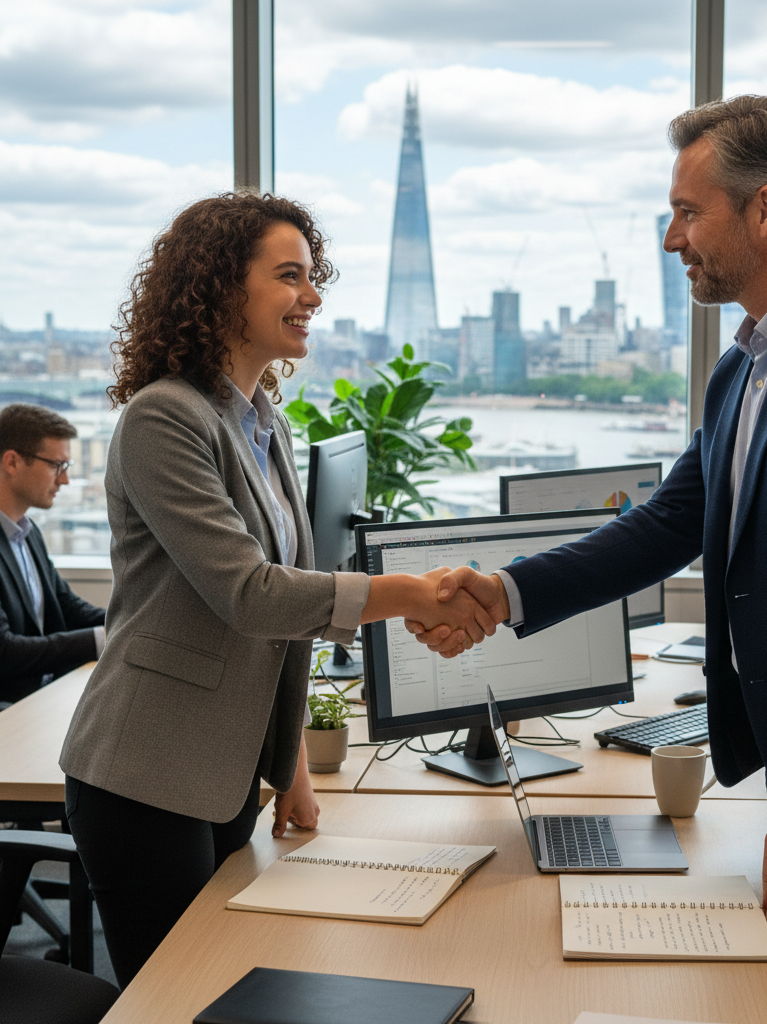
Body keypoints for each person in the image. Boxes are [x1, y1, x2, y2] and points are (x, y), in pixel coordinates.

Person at [409, 95, 767, 1024]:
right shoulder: (746, 365)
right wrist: (507, 591)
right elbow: (664, 524)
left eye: (689, 212)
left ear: (765, 209)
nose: (672, 237)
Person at [59, 192, 494, 988]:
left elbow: (274, 625)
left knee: (226, 984)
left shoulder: (263, 423)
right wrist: (409, 594)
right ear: (223, 288)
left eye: (313, 275)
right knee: (177, 997)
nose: (315, 296)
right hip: (145, 772)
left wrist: (288, 760)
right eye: (290, 276)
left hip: (222, 767)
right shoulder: (165, 420)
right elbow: (253, 596)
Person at [0, 403, 105, 706]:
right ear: (12, 462)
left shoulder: (27, 530)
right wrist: (102, 639)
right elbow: (4, 652)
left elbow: (66, 606)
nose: (65, 480)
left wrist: (127, 623)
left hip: (42, 696)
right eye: (56, 466)